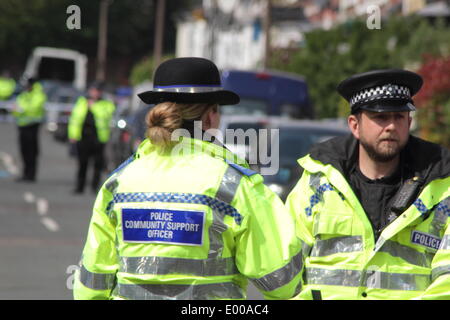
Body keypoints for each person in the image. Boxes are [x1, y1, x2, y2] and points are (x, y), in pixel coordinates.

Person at [73, 57, 303, 300]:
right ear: (209, 117)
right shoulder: (234, 184)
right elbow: (282, 282)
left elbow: (91, 288)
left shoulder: (119, 182)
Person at [286, 69, 450, 300]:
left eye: (399, 117)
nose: (392, 126)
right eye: (381, 117)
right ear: (355, 125)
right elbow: (287, 266)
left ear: (409, 122)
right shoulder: (317, 182)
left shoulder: (442, 189)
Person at [68, 82, 115, 194]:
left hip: (98, 138)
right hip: (83, 137)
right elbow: (75, 119)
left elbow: (106, 115)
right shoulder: (81, 102)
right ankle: (80, 186)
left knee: (97, 165)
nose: (95, 93)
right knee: (82, 163)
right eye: (93, 90)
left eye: (97, 91)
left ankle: (95, 187)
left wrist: (93, 107)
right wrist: (72, 135)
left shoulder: (105, 104)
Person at [11, 77, 47, 182]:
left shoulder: (39, 94)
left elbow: (34, 108)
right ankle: (26, 173)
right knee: (24, 151)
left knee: (32, 151)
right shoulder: (24, 94)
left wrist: (21, 109)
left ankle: (31, 175)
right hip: (22, 125)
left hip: (32, 126)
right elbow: (16, 108)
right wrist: (18, 110)